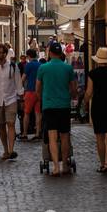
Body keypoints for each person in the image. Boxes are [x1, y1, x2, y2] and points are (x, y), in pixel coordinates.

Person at [37, 40, 75, 176]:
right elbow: (74, 88)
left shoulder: (43, 68)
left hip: (49, 106)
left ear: (50, 53)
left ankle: (56, 167)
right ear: (61, 53)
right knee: (65, 136)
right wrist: (69, 95)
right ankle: (65, 164)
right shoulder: (68, 68)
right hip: (64, 105)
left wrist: (42, 98)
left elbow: (38, 88)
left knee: (52, 136)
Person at [83, 47, 107, 175]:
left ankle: (101, 164)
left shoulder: (92, 74)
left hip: (98, 106)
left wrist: (85, 103)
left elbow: (89, 92)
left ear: (97, 60)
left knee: (99, 137)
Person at [21, 48, 41, 141]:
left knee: (27, 113)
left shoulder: (28, 65)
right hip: (39, 92)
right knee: (38, 113)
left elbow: (23, 79)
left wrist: (20, 89)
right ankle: (37, 133)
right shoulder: (40, 65)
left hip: (30, 91)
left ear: (29, 56)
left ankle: (25, 133)